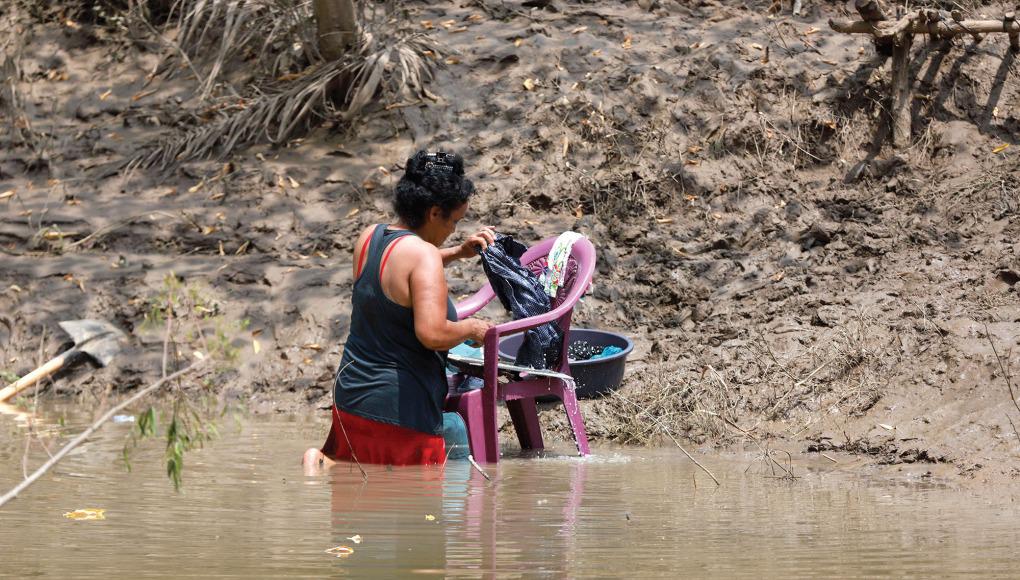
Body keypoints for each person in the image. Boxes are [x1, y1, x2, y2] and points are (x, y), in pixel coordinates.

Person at [304, 150, 494, 468]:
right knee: (424, 484)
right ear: (434, 213)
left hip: (350, 398)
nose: (453, 230)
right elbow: (432, 333)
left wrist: (457, 253)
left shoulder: (370, 237)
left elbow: (400, 268)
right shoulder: (423, 256)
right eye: (455, 221)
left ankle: (322, 464)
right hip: (399, 409)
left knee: (356, 477)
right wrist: (474, 329)